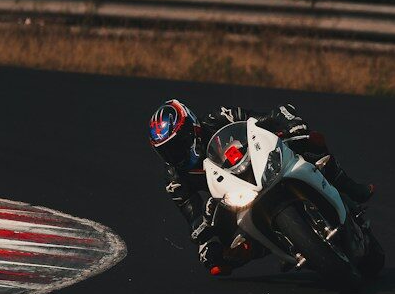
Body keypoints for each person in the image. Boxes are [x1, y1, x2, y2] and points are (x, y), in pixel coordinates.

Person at [148, 98, 374, 276]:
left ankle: (349, 186)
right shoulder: (175, 180)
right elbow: (193, 217)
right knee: (214, 260)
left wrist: (290, 124)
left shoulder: (221, 117)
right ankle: (280, 246)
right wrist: (205, 233)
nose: (174, 153)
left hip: (263, 163)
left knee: (309, 140)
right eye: (166, 150)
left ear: (193, 129)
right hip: (234, 198)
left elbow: (268, 117)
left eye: (178, 144)